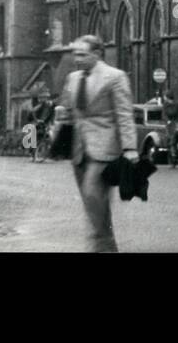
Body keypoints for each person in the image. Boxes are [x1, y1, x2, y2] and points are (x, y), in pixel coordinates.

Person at [55, 35, 137, 253]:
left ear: (97, 53)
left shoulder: (115, 77)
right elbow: (68, 110)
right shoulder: (72, 78)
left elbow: (124, 115)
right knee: (93, 202)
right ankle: (106, 245)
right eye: (75, 54)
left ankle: (99, 246)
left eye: (82, 54)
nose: (77, 59)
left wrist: (130, 148)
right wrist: (60, 123)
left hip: (104, 149)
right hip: (79, 149)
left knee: (93, 196)